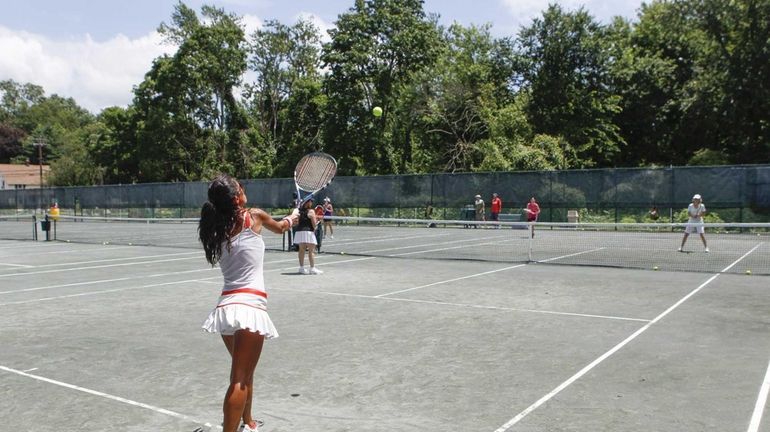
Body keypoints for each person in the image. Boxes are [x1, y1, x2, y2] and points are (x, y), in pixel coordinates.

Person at [198, 174, 298, 432]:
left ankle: (248, 422)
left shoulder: (216, 226)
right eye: (241, 187)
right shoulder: (254, 216)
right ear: (235, 197)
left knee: (244, 372)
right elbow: (281, 227)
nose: (244, 189)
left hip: (226, 309)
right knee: (239, 379)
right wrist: (293, 217)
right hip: (249, 307)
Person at [295, 198, 323, 274]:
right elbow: (314, 225)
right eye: (311, 201)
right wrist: (316, 224)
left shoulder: (298, 211)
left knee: (301, 250)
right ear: (307, 203)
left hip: (299, 232)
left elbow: (297, 222)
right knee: (311, 251)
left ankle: (301, 268)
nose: (311, 203)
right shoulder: (311, 211)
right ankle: (312, 268)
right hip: (308, 232)